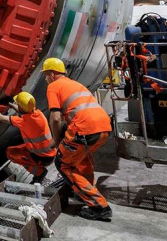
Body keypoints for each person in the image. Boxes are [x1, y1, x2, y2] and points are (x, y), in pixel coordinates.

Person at [42, 57, 113, 221]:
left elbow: (54, 118)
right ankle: (85, 192)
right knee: (81, 158)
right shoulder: (75, 84)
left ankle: (100, 207)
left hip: (85, 129)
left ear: (52, 74)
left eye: (46, 75)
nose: (46, 79)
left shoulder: (53, 86)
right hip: (103, 128)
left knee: (63, 163)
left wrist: (56, 139)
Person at [0, 92, 56, 183]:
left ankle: (39, 173)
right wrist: (10, 104)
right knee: (18, 150)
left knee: (11, 153)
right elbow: (23, 111)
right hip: (50, 153)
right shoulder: (39, 114)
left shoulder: (23, 122)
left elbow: (0, 117)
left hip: (41, 158)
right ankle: (38, 169)